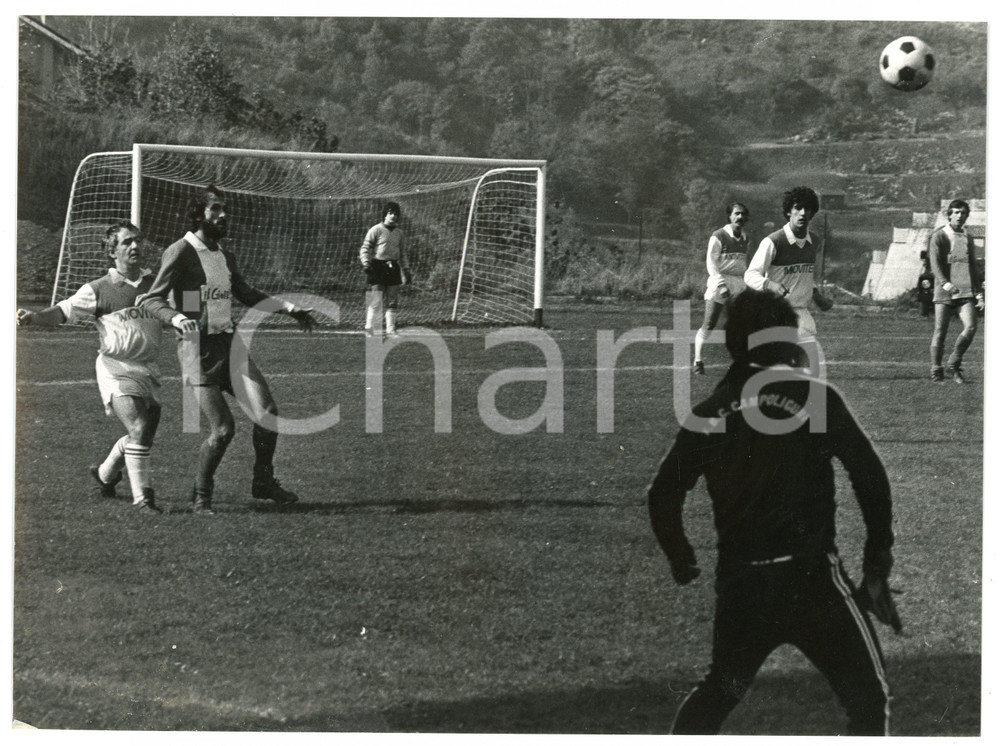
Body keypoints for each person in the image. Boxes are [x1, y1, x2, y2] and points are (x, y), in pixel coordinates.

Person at [647, 288, 900, 736]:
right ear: (785, 340)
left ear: (734, 343)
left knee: (719, 692)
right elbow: (870, 478)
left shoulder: (708, 412)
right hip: (811, 582)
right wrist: (876, 561)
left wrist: (680, 553)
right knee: (867, 699)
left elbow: (663, 492)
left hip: (742, 584)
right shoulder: (815, 398)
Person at [141, 185, 315, 514]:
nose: (223, 215)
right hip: (197, 351)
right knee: (223, 430)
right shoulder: (181, 251)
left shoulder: (224, 255)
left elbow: (246, 293)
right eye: (216, 209)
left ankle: (263, 481)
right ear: (199, 215)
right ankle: (201, 497)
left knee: (268, 413)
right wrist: (178, 318)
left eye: (224, 209)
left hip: (230, 346)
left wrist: (289, 307)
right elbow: (150, 299)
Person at [17, 221, 164, 514]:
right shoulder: (98, 289)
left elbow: (186, 307)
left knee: (144, 434)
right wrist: (34, 317)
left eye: (137, 240)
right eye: (127, 242)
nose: (135, 246)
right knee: (137, 426)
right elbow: (62, 312)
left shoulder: (156, 285)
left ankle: (105, 474)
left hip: (148, 368)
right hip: (115, 367)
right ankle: (143, 499)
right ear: (112, 252)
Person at [744, 186, 833, 347]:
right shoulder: (774, 241)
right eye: (798, 208)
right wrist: (770, 284)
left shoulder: (814, 241)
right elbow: (750, 275)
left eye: (807, 209)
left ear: (813, 213)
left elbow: (802, 275)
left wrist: (816, 295)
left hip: (801, 314)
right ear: (788, 212)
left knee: (807, 366)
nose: (803, 213)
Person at [927, 199, 984, 383]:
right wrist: (944, 283)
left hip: (965, 290)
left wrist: (978, 292)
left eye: (963, 213)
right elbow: (934, 264)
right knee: (940, 330)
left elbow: (972, 267)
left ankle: (953, 364)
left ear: (967, 216)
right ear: (949, 214)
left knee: (972, 326)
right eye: (956, 212)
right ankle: (936, 370)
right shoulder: (940, 235)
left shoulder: (967, 237)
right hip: (945, 291)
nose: (960, 216)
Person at [693, 202, 751, 375]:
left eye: (743, 214)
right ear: (730, 216)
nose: (740, 217)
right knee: (709, 323)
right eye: (736, 214)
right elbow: (711, 263)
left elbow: (743, 264)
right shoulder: (718, 236)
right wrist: (721, 285)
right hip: (720, 281)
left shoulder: (745, 237)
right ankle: (698, 360)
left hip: (739, 284)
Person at [360, 201, 410, 337]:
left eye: (395, 214)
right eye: (390, 213)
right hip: (378, 267)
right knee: (376, 300)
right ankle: (369, 328)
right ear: (385, 215)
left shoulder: (399, 233)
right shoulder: (375, 230)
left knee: (392, 300)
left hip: (393, 267)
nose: (393, 216)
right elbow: (365, 248)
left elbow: (403, 253)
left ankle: (390, 330)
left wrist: (406, 270)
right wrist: (366, 263)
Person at [916, 250, 935, 318]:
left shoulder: (928, 262)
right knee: (926, 296)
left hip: (926, 278)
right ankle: (925, 313)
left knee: (924, 296)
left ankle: (924, 313)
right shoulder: (930, 261)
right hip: (928, 278)